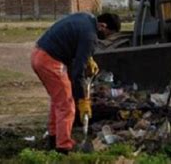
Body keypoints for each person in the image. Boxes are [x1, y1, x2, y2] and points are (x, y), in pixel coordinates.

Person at [31, 12, 121, 153]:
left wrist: (88, 58)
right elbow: (77, 73)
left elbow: (74, 41)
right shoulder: (90, 36)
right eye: (108, 34)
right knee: (67, 105)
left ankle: (54, 137)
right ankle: (63, 147)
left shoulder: (87, 17)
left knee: (58, 100)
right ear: (103, 26)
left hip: (38, 54)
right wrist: (82, 100)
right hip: (50, 61)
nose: (107, 38)